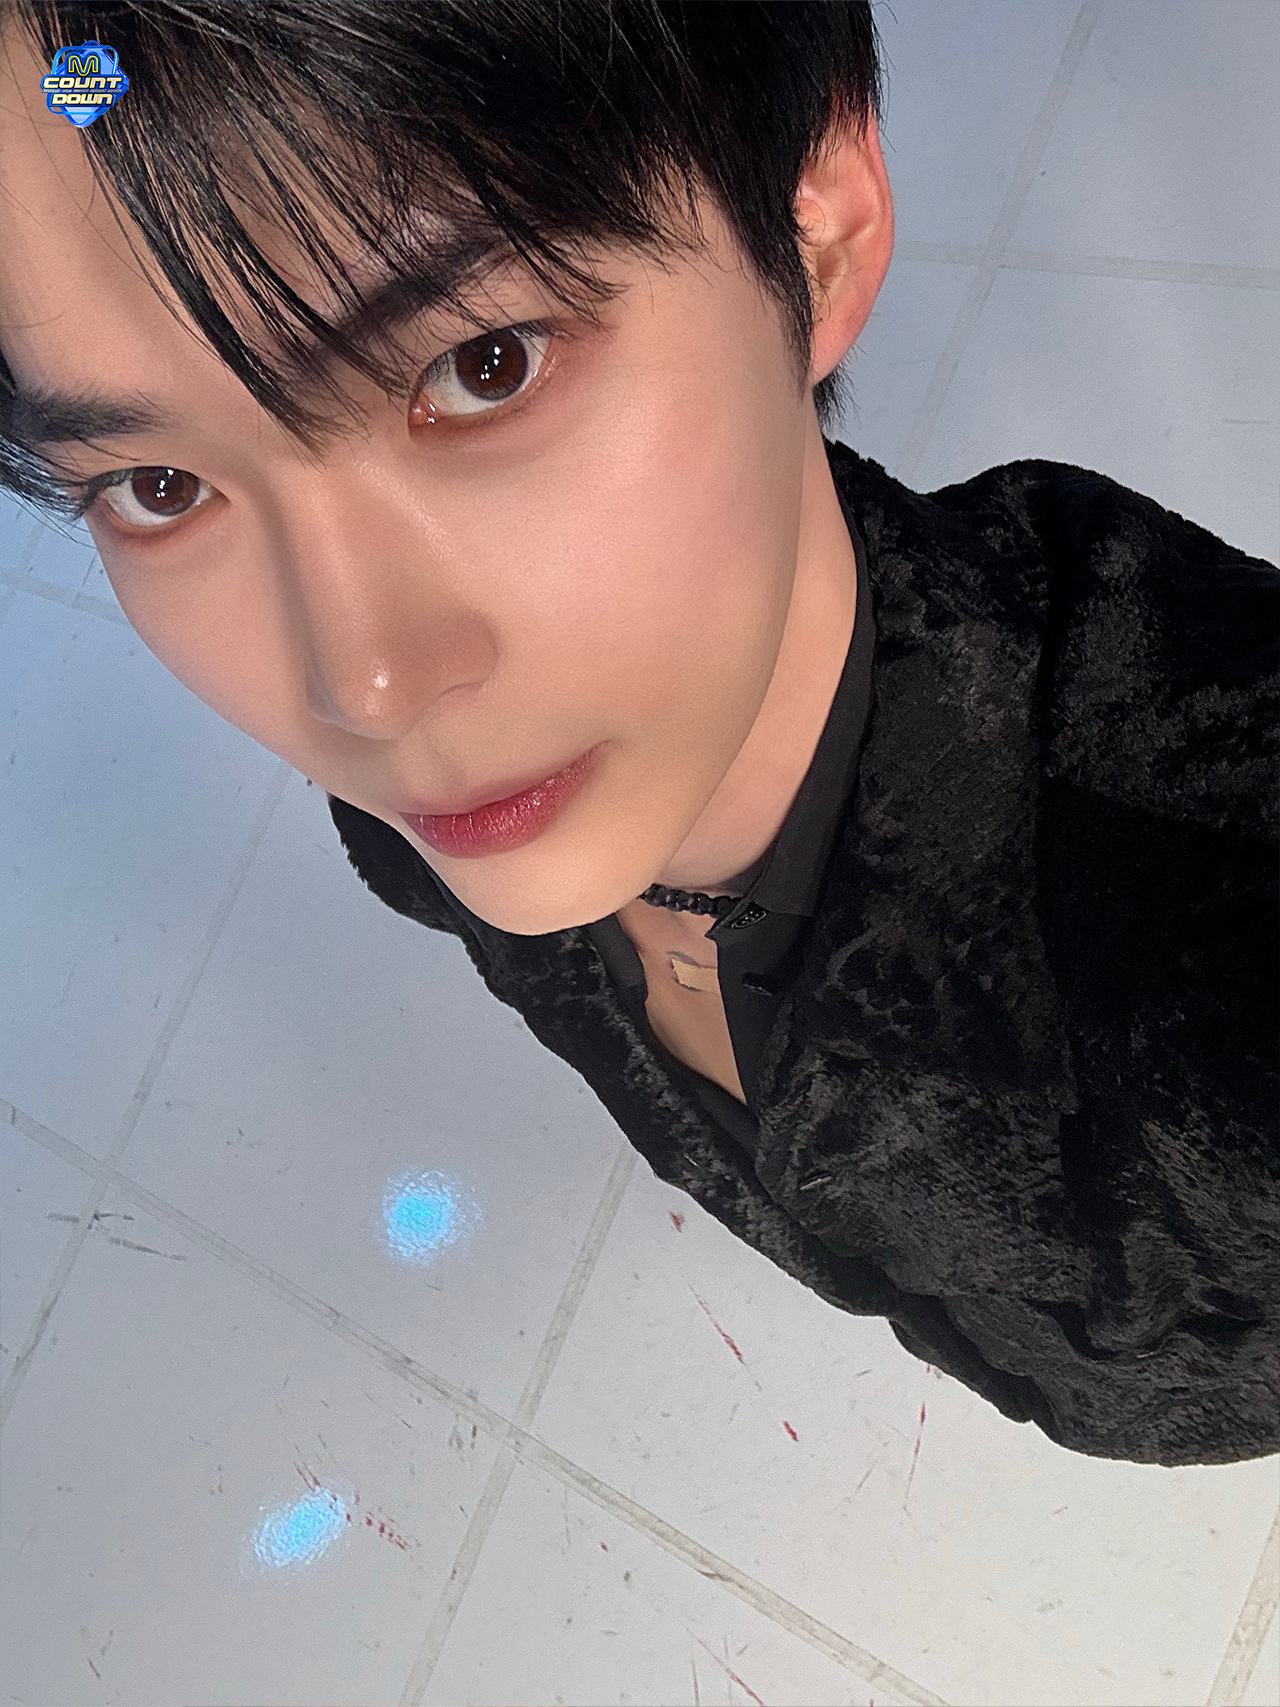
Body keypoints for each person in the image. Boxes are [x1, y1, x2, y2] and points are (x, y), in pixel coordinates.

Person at [1, 1, 1275, 1465]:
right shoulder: (473, 807)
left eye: (484, 365)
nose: (366, 688)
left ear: (814, 236)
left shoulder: (1208, 874)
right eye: (157, 485)